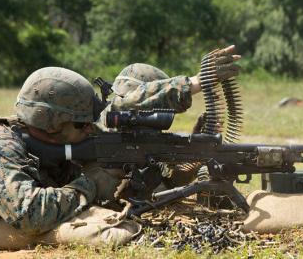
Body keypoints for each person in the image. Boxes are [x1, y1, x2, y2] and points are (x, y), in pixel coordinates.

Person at [0, 67, 140, 257]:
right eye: (82, 124)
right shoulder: (0, 147)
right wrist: (89, 184)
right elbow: (30, 215)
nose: (91, 129)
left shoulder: (50, 145)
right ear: (52, 125)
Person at [86, 45, 241, 203]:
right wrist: (198, 81)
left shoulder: (142, 140)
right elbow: (128, 104)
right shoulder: (107, 122)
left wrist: (194, 157)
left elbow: (166, 184)